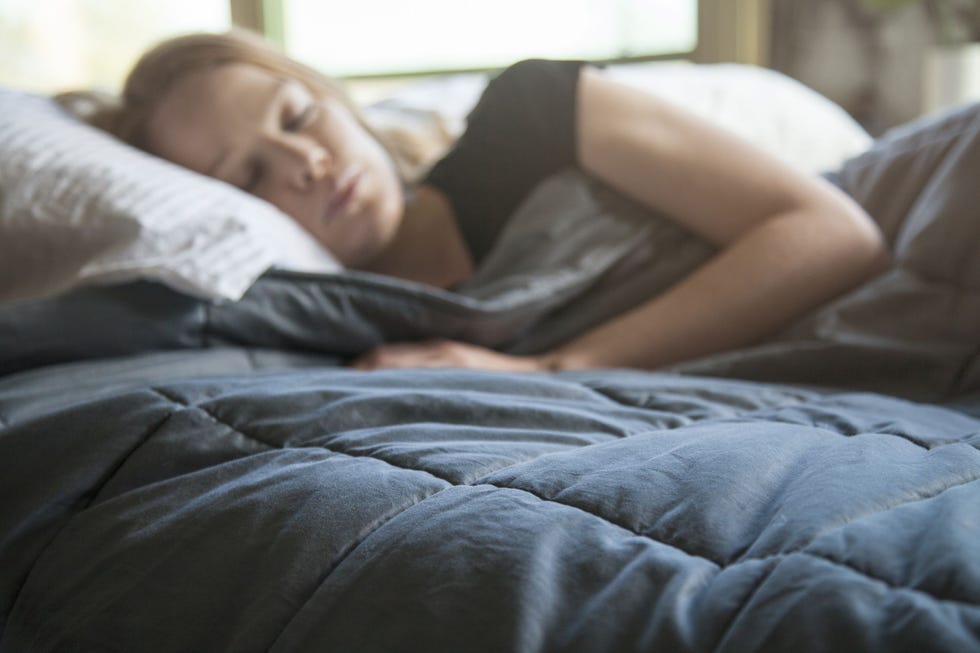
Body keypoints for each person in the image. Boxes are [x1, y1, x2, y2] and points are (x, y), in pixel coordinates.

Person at [89, 29, 889, 373]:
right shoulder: (334, 330)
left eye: (298, 117)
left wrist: (553, 367)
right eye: (249, 177)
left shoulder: (529, 112)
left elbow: (831, 232)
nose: (306, 161)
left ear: (332, 97)